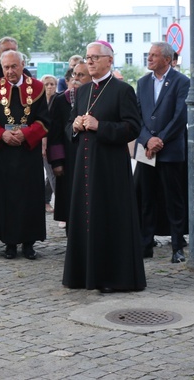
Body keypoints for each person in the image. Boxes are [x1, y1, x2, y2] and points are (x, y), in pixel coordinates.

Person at [62, 41, 145, 292]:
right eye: (88, 57)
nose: (90, 61)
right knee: (84, 217)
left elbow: (132, 128)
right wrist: (74, 126)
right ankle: (82, 275)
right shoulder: (83, 91)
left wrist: (101, 126)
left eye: (95, 57)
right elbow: (67, 127)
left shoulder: (122, 90)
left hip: (110, 169)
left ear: (109, 60)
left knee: (109, 218)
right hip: (84, 168)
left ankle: (112, 277)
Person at [0, 50, 49, 260]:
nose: (10, 71)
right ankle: (9, 243)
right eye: (6, 67)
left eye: (14, 66)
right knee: (5, 197)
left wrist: (26, 134)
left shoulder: (37, 88)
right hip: (2, 154)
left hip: (28, 153)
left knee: (30, 197)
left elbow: (45, 121)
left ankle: (29, 243)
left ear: (22, 65)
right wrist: (1, 134)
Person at [134, 42, 190, 263]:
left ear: (167, 59)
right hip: (145, 150)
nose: (149, 59)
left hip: (170, 149)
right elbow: (137, 115)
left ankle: (177, 246)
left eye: (154, 55)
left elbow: (180, 116)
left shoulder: (182, 82)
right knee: (145, 197)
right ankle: (145, 244)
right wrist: (148, 140)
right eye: (148, 55)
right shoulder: (142, 82)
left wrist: (160, 139)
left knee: (172, 199)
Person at [48, 62, 90, 230]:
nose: (77, 79)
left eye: (81, 75)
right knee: (70, 198)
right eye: (75, 75)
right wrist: (57, 161)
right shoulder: (60, 100)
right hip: (69, 158)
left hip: (89, 155)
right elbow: (54, 132)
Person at [40, 74, 58, 214]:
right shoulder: (38, 102)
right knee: (52, 173)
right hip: (42, 142)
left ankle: (45, 200)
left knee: (53, 173)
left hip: (56, 141)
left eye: (52, 84)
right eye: (47, 84)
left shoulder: (58, 100)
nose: (50, 87)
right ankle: (61, 203)